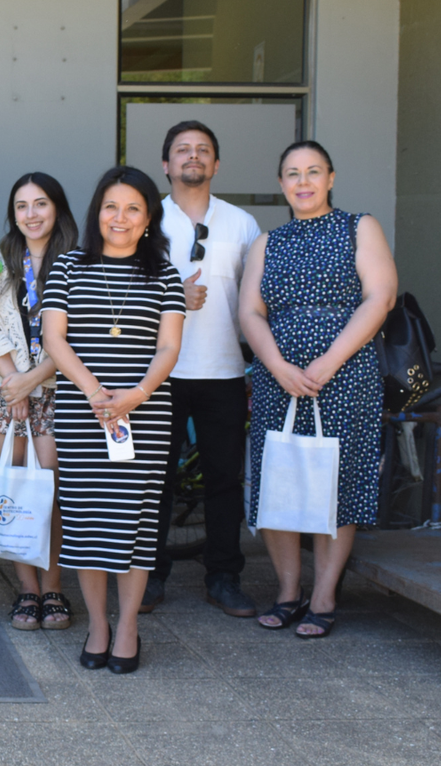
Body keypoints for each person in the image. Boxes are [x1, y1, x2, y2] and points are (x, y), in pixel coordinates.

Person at [240, 140, 396, 638]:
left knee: (337, 483)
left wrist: (329, 362)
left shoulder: (359, 226)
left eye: (313, 172)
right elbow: (249, 312)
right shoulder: (268, 242)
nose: (303, 181)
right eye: (292, 173)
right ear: (281, 183)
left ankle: (325, 595)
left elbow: (380, 296)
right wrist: (277, 365)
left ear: (330, 178)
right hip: (277, 378)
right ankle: (288, 591)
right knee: (279, 480)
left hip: (346, 376)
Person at [39, 166, 185, 674]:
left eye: (132, 209)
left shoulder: (165, 274)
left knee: (136, 523)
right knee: (85, 521)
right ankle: (98, 624)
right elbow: (55, 339)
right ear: (96, 211)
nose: (119, 218)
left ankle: (128, 627)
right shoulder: (68, 267)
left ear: (148, 219)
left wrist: (137, 394)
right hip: (84, 413)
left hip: (144, 415)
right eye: (110, 206)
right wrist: (97, 392)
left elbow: (168, 345)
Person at [142, 121, 265, 617]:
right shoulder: (145, 221)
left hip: (224, 370)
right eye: (182, 150)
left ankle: (225, 577)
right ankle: (148, 576)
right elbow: (124, 294)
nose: (193, 157)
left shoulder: (243, 224)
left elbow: (257, 299)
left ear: (216, 164)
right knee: (155, 480)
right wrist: (170, 296)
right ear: (166, 164)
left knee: (222, 480)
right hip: (159, 373)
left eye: (203, 151)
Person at [0, 172, 78, 631]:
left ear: (57, 209)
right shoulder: (0, 263)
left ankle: (53, 587)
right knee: (14, 491)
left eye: (40, 204)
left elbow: (78, 335)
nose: (31, 214)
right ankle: (27, 590)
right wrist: (14, 380)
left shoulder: (78, 262)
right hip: (6, 390)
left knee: (49, 492)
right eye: (22, 206)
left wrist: (32, 381)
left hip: (57, 389)